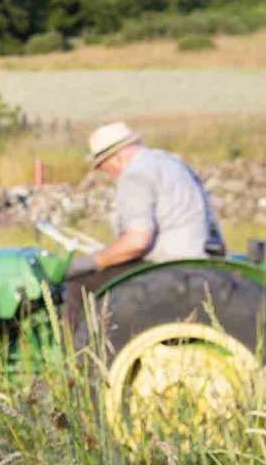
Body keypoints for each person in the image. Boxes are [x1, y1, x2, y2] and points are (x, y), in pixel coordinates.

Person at [62, 121, 224, 347]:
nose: (105, 173)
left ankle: (74, 361)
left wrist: (91, 261)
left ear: (116, 157)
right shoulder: (170, 162)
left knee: (80, 282)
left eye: (102, 166)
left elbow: (138, 240)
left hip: (170, 265)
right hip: (201, 257)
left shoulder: (135, 174)